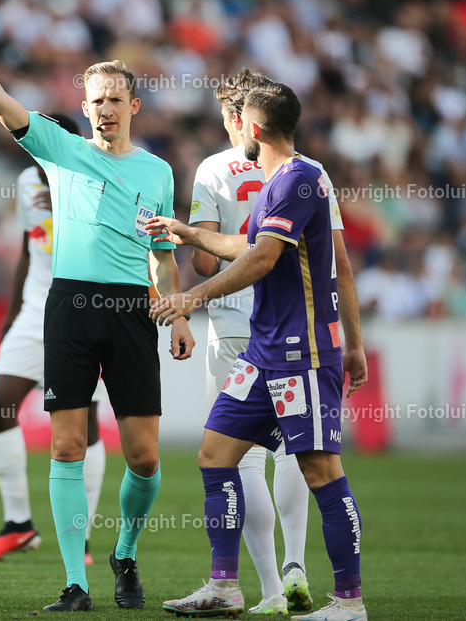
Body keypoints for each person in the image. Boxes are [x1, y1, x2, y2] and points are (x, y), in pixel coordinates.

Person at [0, 0, 195, 613]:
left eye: (115, 99)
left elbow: (162, 254)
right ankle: (75, 583)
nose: (105, 109)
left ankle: (126, 553)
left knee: (143, 456)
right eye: (95, 101)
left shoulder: (159, 173)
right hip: (71, 310)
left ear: (133, 105)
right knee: (64, 444)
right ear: (82, 110)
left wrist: (178, 309)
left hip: (132, 314)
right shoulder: (61, 151)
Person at [149, 84, 368, 621]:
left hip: (303, 353)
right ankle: (226, 585)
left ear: (254, 128)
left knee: (320, 469)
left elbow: (263, 259)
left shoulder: (300, 179)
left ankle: (348, 602)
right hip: (262, 352)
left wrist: (193, 296)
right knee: (215, 454)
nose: (235, 126)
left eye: (239, 118)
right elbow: (246, 247)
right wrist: (187, 233)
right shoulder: (278, 182)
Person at [0, 113, 108, 565]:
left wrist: (70, 204)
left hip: (83, 312)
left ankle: (79, 538)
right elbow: (30, 247)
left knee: (82, 424)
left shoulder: (95, 176)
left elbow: (109, 248)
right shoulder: (27, 181)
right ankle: (18, 525)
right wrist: (12, 316)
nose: (31, 145)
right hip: (34, 312)